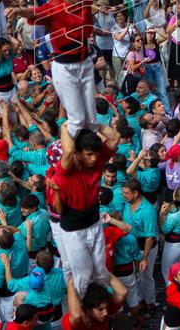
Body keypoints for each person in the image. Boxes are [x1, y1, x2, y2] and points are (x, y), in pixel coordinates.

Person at [11, 0, 108, 136]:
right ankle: (65, 154)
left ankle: (87, 156)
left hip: (85, 62)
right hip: (64, 67)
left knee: (91, 118)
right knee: (77, 119)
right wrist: (18, 11)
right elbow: (34, 13)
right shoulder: (54, 7)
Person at [50, 122, 120, 296]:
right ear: (77, 154)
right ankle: (82, 307)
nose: (94, 159)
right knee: (82, 276)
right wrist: (66, 128)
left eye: (96, 154)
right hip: (74, 230)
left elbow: (114, 137)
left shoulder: (96, 162)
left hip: (94, 223)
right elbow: (67, 151)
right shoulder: (65, 171)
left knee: (101, 273)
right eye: (89, 154)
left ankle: (100, 306)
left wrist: (94, 122)